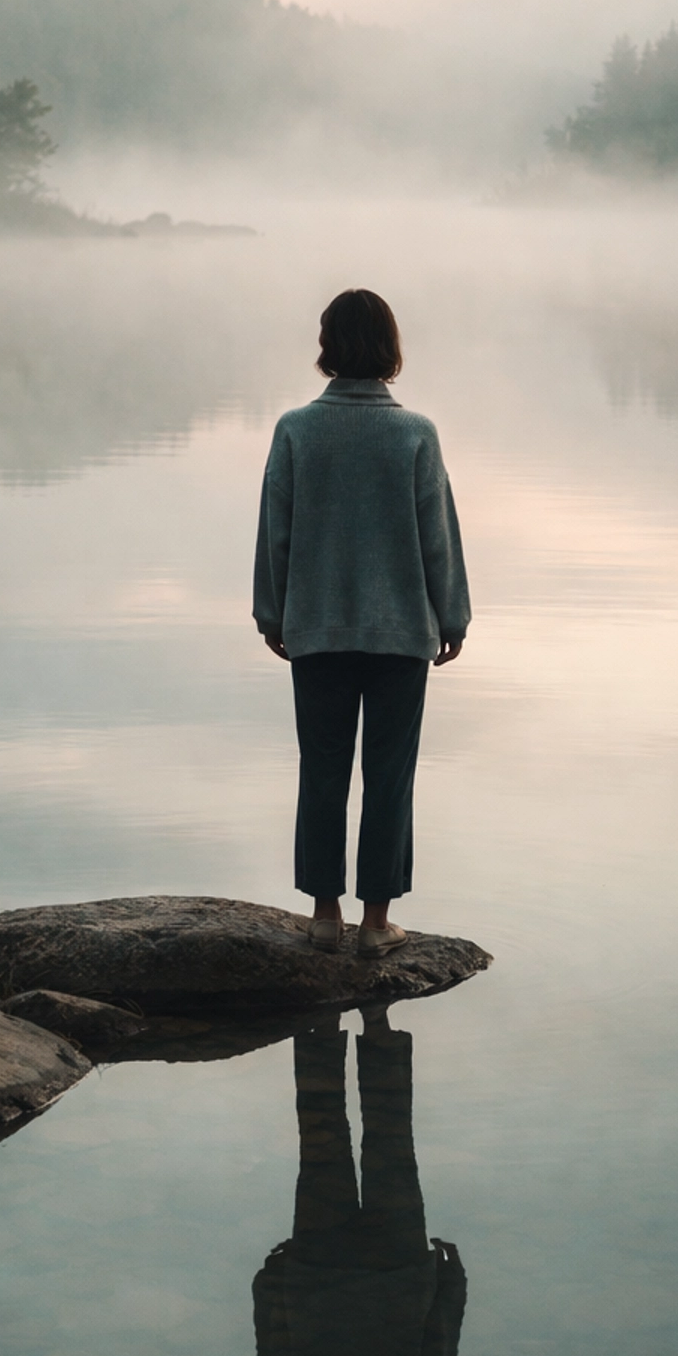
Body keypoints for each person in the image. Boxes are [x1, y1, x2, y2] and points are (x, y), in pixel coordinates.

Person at [252, 289, 470, 954]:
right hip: (400, 636)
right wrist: (452, 616)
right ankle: (376, 925)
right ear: (388, 350)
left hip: (316, 632)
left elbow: (275, 534)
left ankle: (323, 916)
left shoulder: (296, 430)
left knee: (322, 771)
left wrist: (271, 613)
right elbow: (439, 538)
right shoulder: (414, 434)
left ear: (328, 348)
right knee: (388, 775)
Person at [252, 1007, 466, 1356]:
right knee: (320, 1144)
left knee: (393, 1144)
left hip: (399, 1273)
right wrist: (269, 1287)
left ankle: (377, 1023)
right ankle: (322, 1031)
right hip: (316, 1273)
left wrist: (452, 1285)